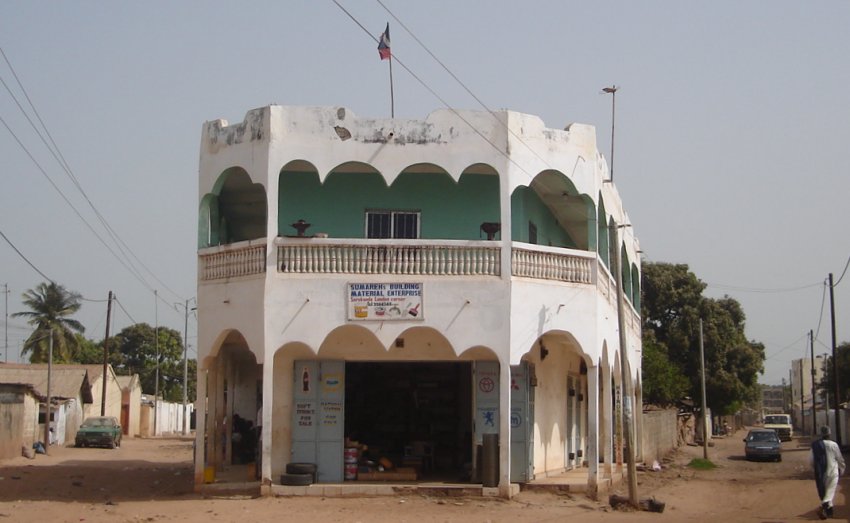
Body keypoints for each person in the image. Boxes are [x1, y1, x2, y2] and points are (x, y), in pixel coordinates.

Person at [812, 425, 845, 519]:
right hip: (833, 472)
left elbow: (810, 460)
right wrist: (842, 469)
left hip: (821, 473)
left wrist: (814, 469)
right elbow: (840, 459)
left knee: (826, 492)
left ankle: (829, 512)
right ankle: (822, 507)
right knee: (830, 492)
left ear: (821, 434)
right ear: (829, 434)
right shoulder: (834, 445)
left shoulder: (815, 445)